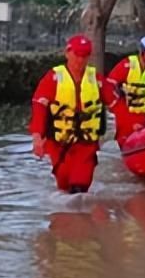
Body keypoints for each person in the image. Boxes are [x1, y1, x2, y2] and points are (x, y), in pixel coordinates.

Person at [30, 34, 119, 194]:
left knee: (79, 187)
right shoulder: (53, 78)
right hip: (59, 145)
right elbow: (39, 107)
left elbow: (116, 106)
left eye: (85, 56)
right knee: (63, 186)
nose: (80, 60)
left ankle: (81, 217)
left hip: (86, 144)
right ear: (67, 53)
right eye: (77, 55)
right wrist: (37, 137)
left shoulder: (96, 80)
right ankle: (64, 218)